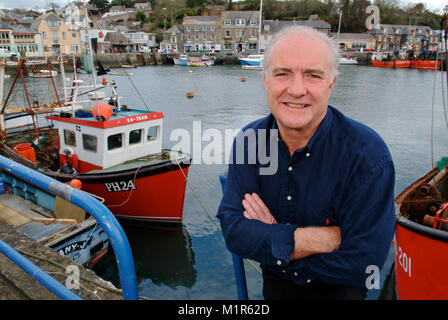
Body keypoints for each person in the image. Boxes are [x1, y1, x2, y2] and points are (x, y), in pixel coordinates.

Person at [217, 26, 395, 300]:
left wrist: (273, 240)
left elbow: (364, 267)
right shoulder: (249, 142)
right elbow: (235, 232)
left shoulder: (367, 156)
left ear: (331, 84)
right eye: (283, 73)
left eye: (313, 75)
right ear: (266, 80)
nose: (297, 89)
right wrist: (314, 239)